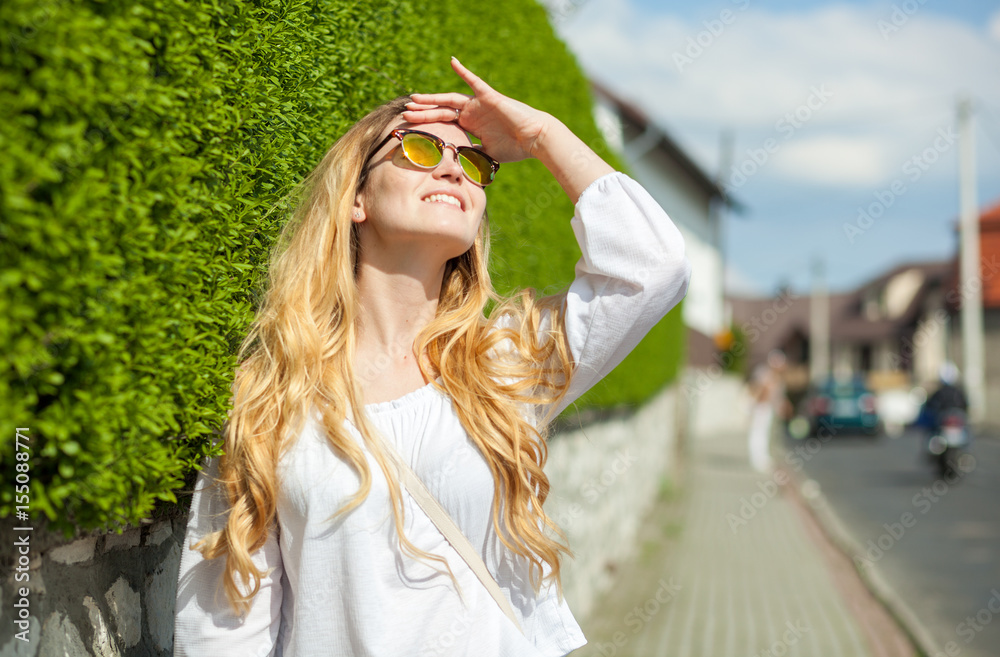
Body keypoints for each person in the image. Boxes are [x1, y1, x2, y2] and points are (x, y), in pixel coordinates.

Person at [173, 57, 691, 657]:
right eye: (419, 148)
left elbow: (653, 266)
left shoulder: (502, 366)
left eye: (473, 162)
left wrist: (541, 136)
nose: (452, 166)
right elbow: (223, 623)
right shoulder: (274, 395)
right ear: (355, 198)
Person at [746, 349, 787, 474]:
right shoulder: (765, 373)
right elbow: (759, 390)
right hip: (761, 407)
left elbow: (777, 395)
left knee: (765, 433)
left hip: (767, 407)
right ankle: (758, 459)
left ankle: (763, 457)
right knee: (758, 432)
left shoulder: (776, 376)